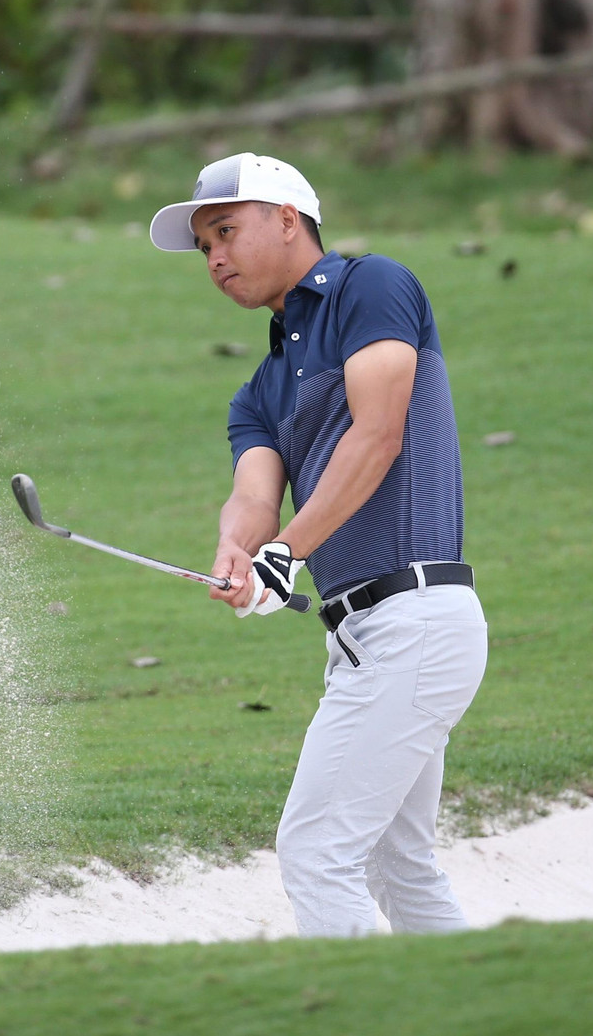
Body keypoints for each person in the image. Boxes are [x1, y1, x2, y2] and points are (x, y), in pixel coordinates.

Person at [149, 153, 488, 938]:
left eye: (225, 231)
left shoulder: (370, 287)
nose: (216, 258)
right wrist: (240, 551)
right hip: (366, 639)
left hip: (419, 618)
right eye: (204, 248)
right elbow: (255, 497)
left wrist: (288, 552)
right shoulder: (260, 389)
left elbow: (379, 433)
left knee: (313, 849)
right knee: (396, 865)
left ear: (289, 220)